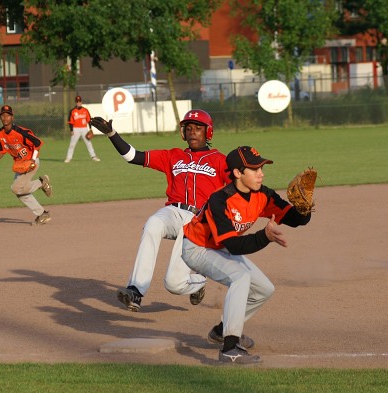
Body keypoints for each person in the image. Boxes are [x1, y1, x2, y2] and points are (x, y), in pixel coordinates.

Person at [181, 146, 312, 364]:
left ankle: (222, 330)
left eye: (261, 168)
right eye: (254, 169)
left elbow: (294, 218)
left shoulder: (263, 195)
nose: (261, 174)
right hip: (197, 247)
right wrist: (264, 237)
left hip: (219, 247)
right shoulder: (219, 200)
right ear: (237, 173)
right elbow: (233, 245)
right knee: (240, 277)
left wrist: (304, 210)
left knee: (264, 289)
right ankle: (229, 348)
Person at [91, 109, 231, 312]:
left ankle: (199, 281)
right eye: (188, 128)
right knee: (153, 224)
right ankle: (136, 290)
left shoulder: (220, 160)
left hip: (198, 221)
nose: (192, 132)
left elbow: (237, 187)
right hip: (173, 212)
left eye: (198, 128)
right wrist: (112, 134)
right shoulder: (173, 155)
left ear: (208, 132)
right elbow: (133, 156)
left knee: (174, 285)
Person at [0, 104, 53, 225]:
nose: (5, 118)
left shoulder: (21, 132)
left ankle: (41, 183)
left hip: (31, 162)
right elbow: (1, 150)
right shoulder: (0, 134)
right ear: (0, 117)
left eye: (8, 115)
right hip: (20, 165)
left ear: (12, 117)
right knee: (20, 193)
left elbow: (38, 143)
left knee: (16, 188)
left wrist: (33, 160)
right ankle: (42, 214)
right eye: (3, 115)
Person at [65, 95, 100, 163]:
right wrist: (71, 130)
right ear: (76, 102)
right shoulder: (72, 111)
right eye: (77, 101)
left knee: (88, 143)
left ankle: (93, 156)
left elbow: (89, 120)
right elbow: (70, 122)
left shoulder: (85, 110)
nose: (78, 103)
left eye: (79, 101)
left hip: (84, 129)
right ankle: (68, 158)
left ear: (81, 102)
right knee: (72, 144)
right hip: (75, 129)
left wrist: (90, 128)